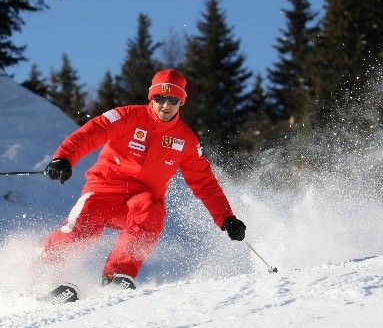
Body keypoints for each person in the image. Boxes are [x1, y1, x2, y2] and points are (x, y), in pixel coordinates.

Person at [42, 68, 246, 289]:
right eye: (160, 98)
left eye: (173, 100)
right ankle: (44, 275)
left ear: (181, 102)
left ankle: (117, 276)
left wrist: (227, 217)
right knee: (81, 230)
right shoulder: (127, 116)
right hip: (104, 191)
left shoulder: (185, 139)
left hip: (138, 203)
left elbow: (204, 181)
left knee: (151, 208)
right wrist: (64, 158)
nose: (166, 106)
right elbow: (93, 132)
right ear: (151, 97)